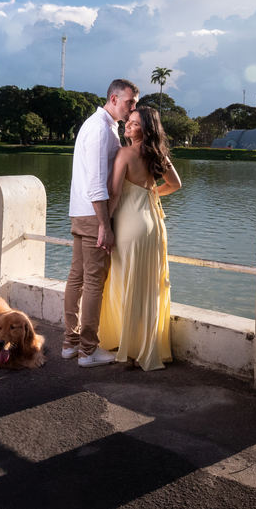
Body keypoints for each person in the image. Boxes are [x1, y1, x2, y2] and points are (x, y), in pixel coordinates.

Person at [62, 79, 139, 367]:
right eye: (130, 102)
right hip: (93, 213)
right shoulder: (99, 129)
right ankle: (88, 350)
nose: (133, 108)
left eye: (135, 103)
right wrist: (104, 225)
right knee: (93, 281)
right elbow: (96, 183)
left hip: (81, 211)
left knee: (78, 276)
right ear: (114, 97)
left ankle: (70, 344)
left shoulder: (103, 126)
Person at [99, 107, 181, 370]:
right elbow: (175, 184)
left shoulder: (125, 153)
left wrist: (104, 227)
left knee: (126, 283)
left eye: (134, 124)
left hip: (129, 225)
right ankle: (144, 348)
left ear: (145, 130)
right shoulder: (158, 154)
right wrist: (151, 193)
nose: (127, 126)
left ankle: (129, 349)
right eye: (128, 122)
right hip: (152, 225)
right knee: (147, 285)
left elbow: (113, 193)